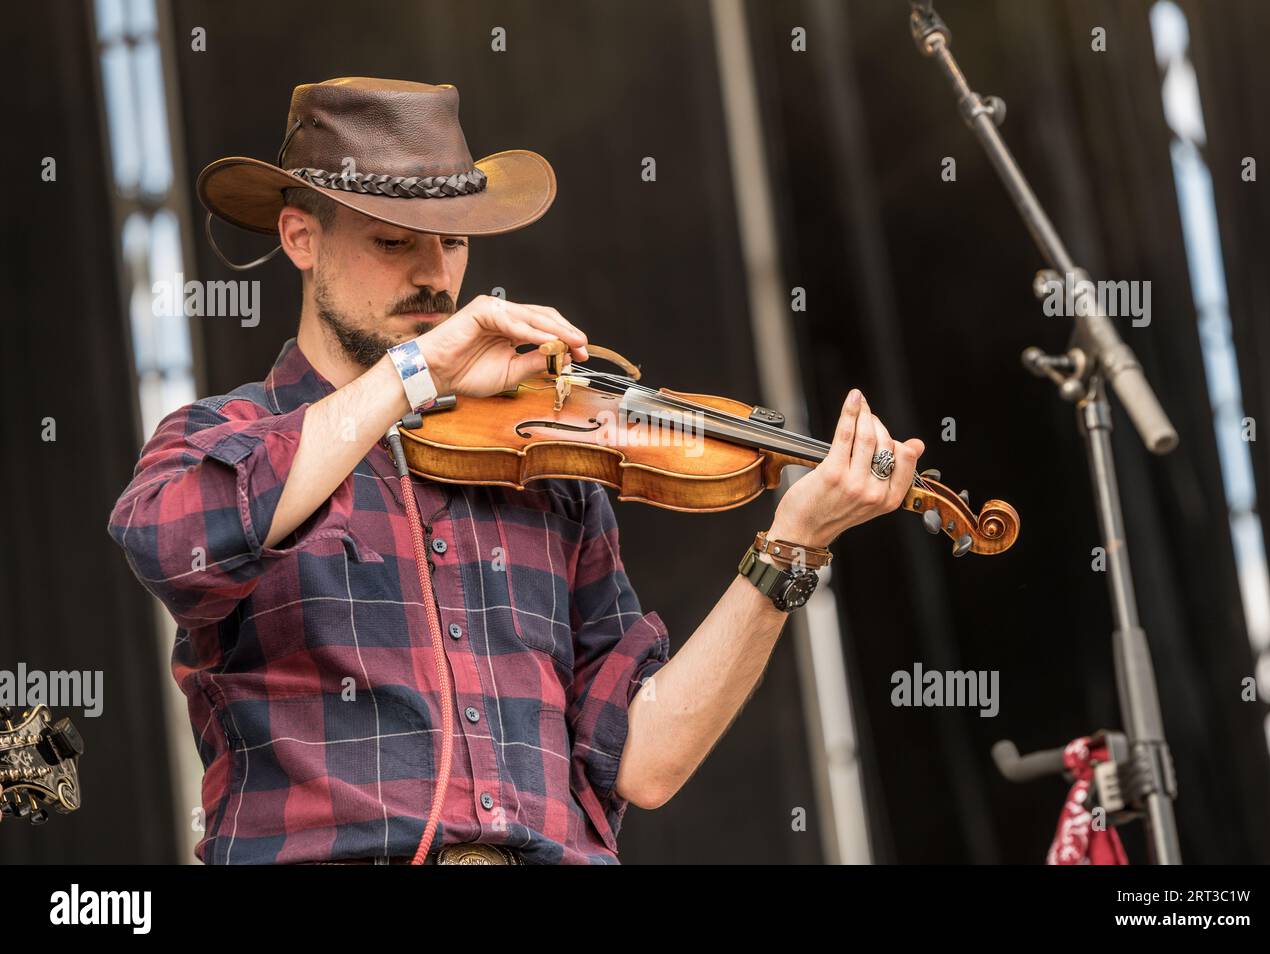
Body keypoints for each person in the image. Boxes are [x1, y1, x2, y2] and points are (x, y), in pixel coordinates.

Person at [107, 77, 924, 864]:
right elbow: (173, 544)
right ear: (301, 237)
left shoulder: (543, 458)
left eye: (454, 241)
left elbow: (643, 764)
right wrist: (414, 371)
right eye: (393, 241)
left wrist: (792, 548)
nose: (435, 274)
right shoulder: (226, 433)